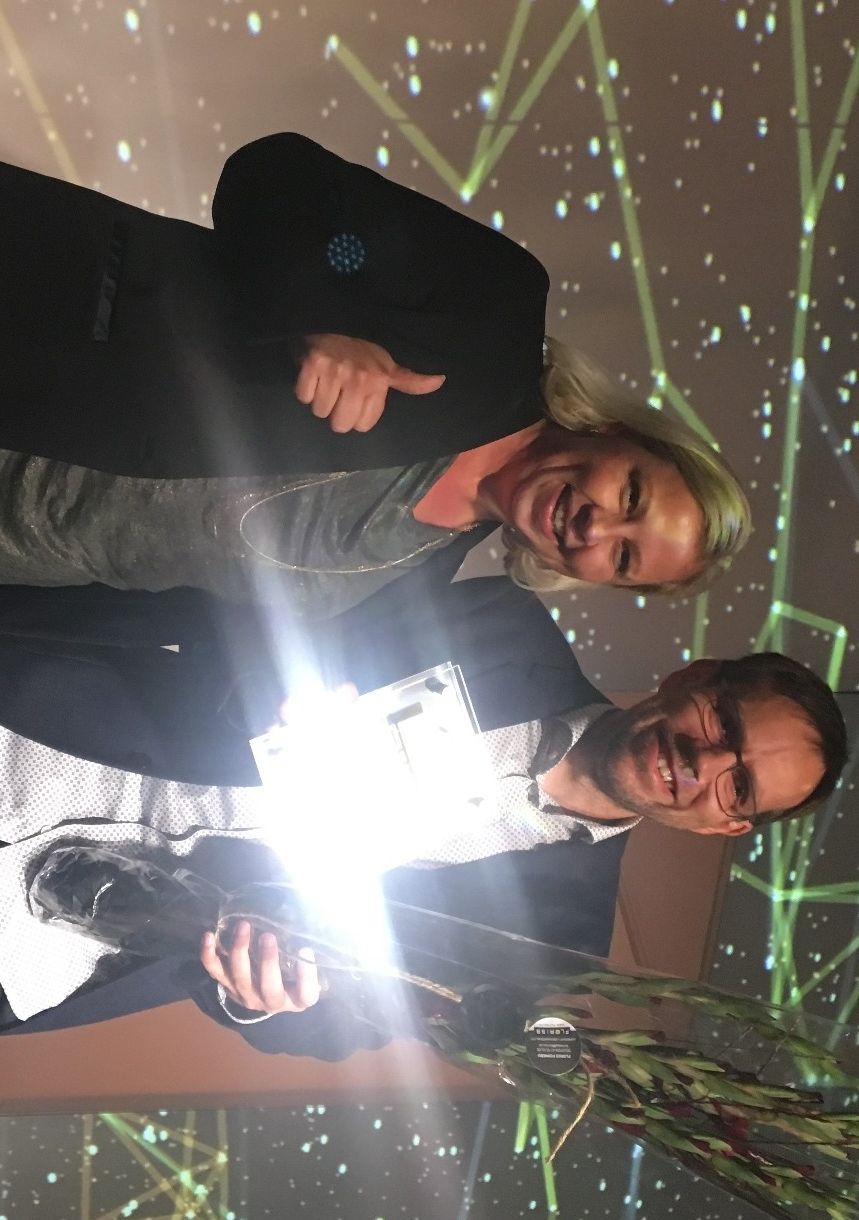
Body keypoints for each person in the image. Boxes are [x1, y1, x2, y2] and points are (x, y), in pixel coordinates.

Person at [0, 571, 846, 1058]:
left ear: (725, 827)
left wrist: (266, 997)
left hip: (48, 943)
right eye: (721, 722)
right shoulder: (508, 630)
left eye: (738, 786)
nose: (703, 763)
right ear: (691, 676)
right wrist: (272, 682)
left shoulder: (556, 943)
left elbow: (347, 1023)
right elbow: (274, 607)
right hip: (52, 737)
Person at [0, 134, 750, 622]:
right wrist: (320, 318)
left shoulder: (416, 586)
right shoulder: (495, 310)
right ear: (618, 434)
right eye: (631, 496)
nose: (596, 527)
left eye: (622, 558)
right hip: (37, 325)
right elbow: (279, 172)